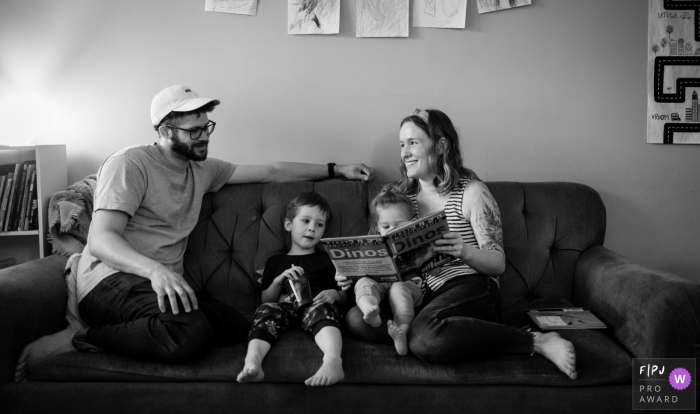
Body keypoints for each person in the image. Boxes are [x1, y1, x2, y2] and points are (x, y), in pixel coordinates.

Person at [14, 84, 373, 382]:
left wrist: (335, 168)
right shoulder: (131, 163)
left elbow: (273, 169)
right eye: (194, 131)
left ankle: (153, 323)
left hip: (162, 285)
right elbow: (102, 239)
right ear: (165, 131)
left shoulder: (202, 170)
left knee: (236, 326)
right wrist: (155, 271)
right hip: (110, 281)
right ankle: (80, 338)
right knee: (191, 333)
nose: (204, 137)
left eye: (207, 127)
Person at [338, 108, 577, 379]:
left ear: (440, 145)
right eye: (402, 144)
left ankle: (536, 342)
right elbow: (378, 249)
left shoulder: (471, 192)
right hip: (421, 292)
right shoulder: (401, 198)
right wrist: (352, 270)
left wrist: (463, 250)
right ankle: (423, 331)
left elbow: (497, 263)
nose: (404, 153)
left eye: (413, 143)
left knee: (426, 338)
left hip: (469, 286)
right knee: (356, 319)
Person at [237, 192, 347, 387]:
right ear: (289, 225)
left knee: (324, 310)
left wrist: (335, 294)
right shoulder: (275, 261)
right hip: (283, 308)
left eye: (319, 224)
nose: (312, 228)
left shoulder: (328, 259)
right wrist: (279, 280)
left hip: (316, 305)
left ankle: (333, 361)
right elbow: (265, 299)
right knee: (266, 311)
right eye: (305, 221)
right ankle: (253, 360)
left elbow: (346, 298)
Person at [351, 185, 424, 356]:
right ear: (377, 227)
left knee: (399, 289)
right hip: (380, 288)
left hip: (408, 288)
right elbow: (358, 272)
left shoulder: (417, 243)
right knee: (364, 282)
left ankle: (402, 335)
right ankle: (370, 310)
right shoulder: (371, 245)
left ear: (411, 223)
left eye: (399, 225)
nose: (392, 231)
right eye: (386, 226)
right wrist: (346, 274)